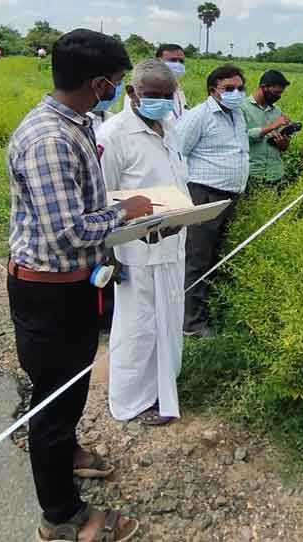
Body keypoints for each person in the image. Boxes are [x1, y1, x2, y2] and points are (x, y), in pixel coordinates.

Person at [6, 29, 151, 542]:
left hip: (75, 284)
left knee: (69, 386)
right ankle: (62, 517)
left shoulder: (76, 123)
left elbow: (77, 207)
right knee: (53, 400)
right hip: (51, 292)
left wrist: (128, 218)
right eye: (115, 81)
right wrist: (126, 213)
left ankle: (65, 452)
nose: (117, 90)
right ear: (97, 83)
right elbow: (66, 231)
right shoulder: (50, 139)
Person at [96, 59, 188, 426]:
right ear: (132, 93)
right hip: (135, 251)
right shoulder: (112, 135)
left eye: (168, 96)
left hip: (172, 243)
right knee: (138, 327)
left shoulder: (170, 126)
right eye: (153, 96)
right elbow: (102, 199)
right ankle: (132, 400)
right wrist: (109, 254)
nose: (162, 102)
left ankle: (165, 389)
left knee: (169, 318)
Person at [177, 64, 249, 338]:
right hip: (204, 195)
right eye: (229, 89)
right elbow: (176, 153)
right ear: (212, 91)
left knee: (217, 258)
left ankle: (208, 313)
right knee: (197, 258)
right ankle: (191, 323)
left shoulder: (237, 115)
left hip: (230, 195)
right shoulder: (199, 116)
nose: (236, 93)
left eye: (240, 88)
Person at [240, 69, 292, 189]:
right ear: (264, 87)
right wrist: (272, 126)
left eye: (281, 93)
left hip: (275, 173)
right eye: (276, 92)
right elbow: (242, 138)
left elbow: (284, 147)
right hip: (253, 174)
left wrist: (283, 143)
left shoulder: (276, 110)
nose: (278, 96)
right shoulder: (242, 108)